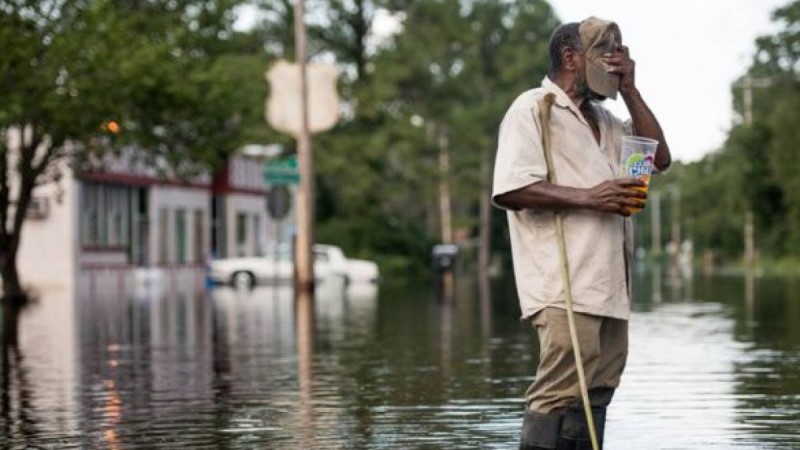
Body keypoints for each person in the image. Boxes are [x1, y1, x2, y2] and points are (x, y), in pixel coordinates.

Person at [491, 17, 671, 450]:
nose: (612, 67)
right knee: (558, 391)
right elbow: (512, 188)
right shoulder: (533, 108)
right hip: (562, 284)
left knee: (598, 391)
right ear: (571, 58)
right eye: (604, 58)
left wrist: (630, 90)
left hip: (611, 286)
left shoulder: (608, 121)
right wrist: (590, 197)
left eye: (618, 58)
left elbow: (658, 159)